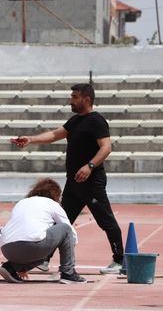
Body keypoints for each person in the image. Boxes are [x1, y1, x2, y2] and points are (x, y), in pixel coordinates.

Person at [11, 83, 124, 275]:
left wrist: (89, 166)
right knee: (61, 222)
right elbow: (55, 134)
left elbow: (106, 147)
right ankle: (44, 259)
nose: (70, 100)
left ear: (86, 99)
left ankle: (120, 260)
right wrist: (31, 139)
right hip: (73, 183)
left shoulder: (97, 121)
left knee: (105, 220)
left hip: (92, 182)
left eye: (74, 97)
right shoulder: (74, 121)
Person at [0, 178, 86, 284]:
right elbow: (70, 232)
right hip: (33, 246)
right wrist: (68, 247)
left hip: (7, 249)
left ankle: (10, 267)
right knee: (65, 229)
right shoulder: (52, 204)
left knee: (42, 255)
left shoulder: (21, 202)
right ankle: (68, 273)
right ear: (55, 195)